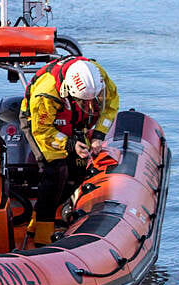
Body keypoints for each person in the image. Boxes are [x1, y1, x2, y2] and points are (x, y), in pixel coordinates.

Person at [19, 56, 119, 246]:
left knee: (78, 172)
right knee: (56, 171)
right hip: (42, 125)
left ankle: (38, 215)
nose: (90, 106)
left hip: (73, 123)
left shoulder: (98, 78)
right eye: (85, 102)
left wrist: (98, 135)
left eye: (92, 101)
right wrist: (71, 145)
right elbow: (42, 131)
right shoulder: (45, 94)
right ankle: (42, 231)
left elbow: (111, 106)